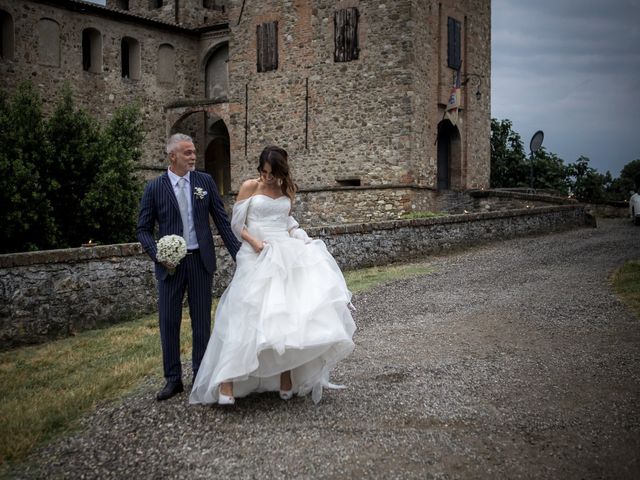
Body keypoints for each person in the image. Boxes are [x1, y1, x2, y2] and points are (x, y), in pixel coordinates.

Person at [190, 146, 356, 406]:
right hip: (255, 252)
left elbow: (288, 222)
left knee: (286, 315)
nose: (266, 177)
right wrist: (254, 242)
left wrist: (303, 238)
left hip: (283, 252)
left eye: (271, 173)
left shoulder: (287, 189)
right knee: (245, 312)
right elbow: (236, 225)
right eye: (263, 172)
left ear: (281, 171)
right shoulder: (249, 187)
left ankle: (285, 375)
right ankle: (227, 379)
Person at [137, 133, 241, 401]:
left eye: (194, 151)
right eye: (187, 152)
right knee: (168, 321)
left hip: (200, 261)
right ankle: (172, 379)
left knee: (202, 322)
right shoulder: (154, 188)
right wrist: (159, 254)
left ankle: (200, 375)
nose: (193, 156)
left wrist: (240, 255)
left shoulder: (204, 182)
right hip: (170, 265)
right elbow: (143, 230)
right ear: (172, 156)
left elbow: (221, 221)